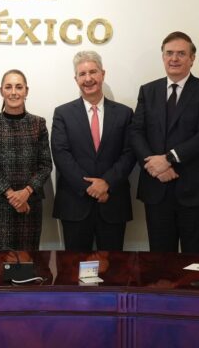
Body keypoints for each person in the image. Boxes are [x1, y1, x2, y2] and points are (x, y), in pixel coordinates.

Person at [129, 31, 199, 253]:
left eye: (181, 53)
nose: (174, 58)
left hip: (194, 191)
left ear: (192, 58)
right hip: (156, 189)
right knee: (160, 262)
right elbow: (136, 132)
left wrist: (168, 159)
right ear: (163, 57)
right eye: (169, 53)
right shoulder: (147, 90)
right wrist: (154, 167)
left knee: (196, 260)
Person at [51, 51, 136, 251]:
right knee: (74, 266)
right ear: (76, 79)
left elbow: (130, 153)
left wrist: (107, 183)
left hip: (113, 202)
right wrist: (90, 188)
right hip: (75, 203)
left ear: (103, 74)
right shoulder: (63, 113)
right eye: (82, 74)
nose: (88, 78)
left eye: (93, 72)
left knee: (113, 266)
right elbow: (61, 154)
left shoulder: (124, 113)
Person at [0, 70, 52, 251]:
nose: (13, 92)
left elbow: (45, 165)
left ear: (26, 91)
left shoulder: (38, 123)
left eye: (19, 87)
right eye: (8, 87)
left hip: (30, 204)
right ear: (1, 91)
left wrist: (26, 193)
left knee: (28, 261)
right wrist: (12, 195)